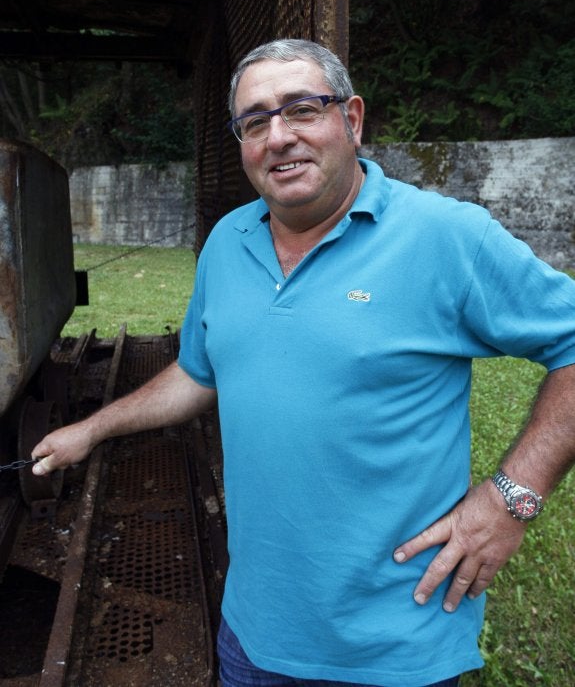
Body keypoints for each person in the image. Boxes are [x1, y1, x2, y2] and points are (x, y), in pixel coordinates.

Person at [32, 39, 575, 687]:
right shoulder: (228, 244)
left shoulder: (444, 237)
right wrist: (89, 430)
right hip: (253, 635)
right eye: (255, 121)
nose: (279, 136)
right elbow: (199, 373)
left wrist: (510, 498)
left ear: (350, 118)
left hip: (394, 646)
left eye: (301, 109)